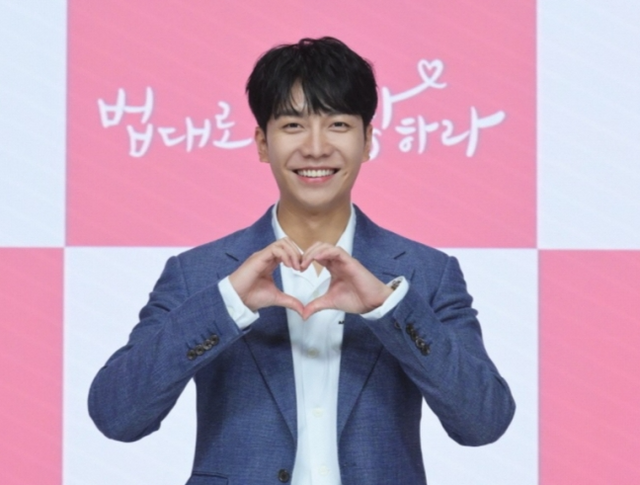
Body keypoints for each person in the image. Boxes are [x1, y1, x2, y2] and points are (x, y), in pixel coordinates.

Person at [89, 37, 515, 485]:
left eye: (338, 124)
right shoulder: (200, 272)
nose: (315, 148)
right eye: (293, 125)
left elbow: (484, 423)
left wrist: (388, 310)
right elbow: (117, 416)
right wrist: (227, 304)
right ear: (262, 142)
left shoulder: (426, 273)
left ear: (368, 141)